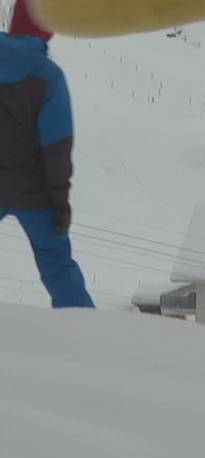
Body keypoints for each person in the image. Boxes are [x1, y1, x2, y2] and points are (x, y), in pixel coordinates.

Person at [0, 0, 93, 308]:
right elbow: (56, 148)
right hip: (35, 192)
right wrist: (59, 202)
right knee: (56, 263)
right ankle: (86, 332)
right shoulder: (49, 76)